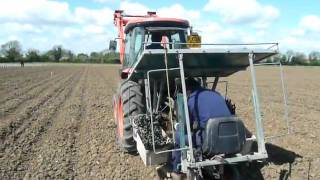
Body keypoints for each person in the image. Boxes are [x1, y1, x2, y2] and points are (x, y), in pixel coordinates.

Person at [170, 78, 232, 176]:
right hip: (232, 136)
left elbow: (185, 127)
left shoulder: (191, 99)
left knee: (178, 136)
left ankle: (176, 171)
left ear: (187, 90)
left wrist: (177, 126)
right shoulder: (216, 93)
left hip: (211, 140)